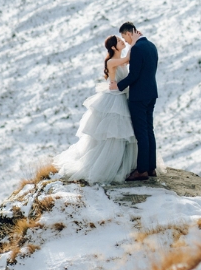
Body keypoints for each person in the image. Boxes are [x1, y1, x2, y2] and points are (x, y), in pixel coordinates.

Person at [54, 35, 138, 184]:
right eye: (119, 41)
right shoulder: (112, 61)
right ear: (113, 47)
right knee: (114, 135)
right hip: (115, 100)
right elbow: (127, 60)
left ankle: (120, 165)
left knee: (122, 133)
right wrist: (135, 42)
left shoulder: (119, 59)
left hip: (121, 97)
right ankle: (110, 166)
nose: (123, 42)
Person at [114, 22, 159, 182]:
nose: (126, 42)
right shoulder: (152, 46)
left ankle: (141, 171)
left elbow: (134, 75)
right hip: (151, 94)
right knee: (149, 131)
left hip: (139, 96)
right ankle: (151, 168)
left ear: (129, 33)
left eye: (125, 38)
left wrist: (117, 86)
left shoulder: (137, 49)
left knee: (141, 134)